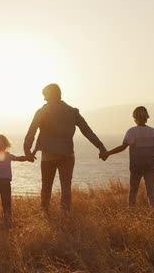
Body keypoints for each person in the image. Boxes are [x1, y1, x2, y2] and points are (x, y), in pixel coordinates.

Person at [24, 83, 108, 212]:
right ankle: (65, 215)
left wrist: (27, 151)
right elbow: (87, 131)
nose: (44, 98)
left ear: (49, 95)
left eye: (44, 95)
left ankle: (45, 215)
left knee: (46, 187)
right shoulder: (72, 111)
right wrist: (101, 147)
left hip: (48, 156)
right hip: (67, 155)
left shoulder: (41, 111)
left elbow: (32, 131)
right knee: (66, 188)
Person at [105, 106, 154, 209]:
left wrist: (108, 153)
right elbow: (152, 149)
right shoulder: (153, 132)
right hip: (150, 166)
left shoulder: (132, 132)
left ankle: (132, 212)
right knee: (151, 191)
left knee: (133, 192)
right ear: (147, 117)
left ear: (134, 117)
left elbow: (123, 147)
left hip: (136, 167)